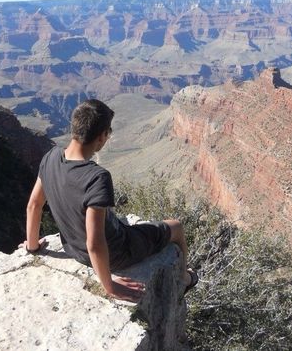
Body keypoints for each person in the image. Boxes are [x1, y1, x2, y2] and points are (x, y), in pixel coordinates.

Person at [20, 99, 197, 302]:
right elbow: (95, 243)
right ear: (102, 137)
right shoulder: (97, 177)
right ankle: (184, 279)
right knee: (176, 227)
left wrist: (32, 247)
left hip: (73, 249)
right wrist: (109, 285)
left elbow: (34, 205)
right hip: (117, 253)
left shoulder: (50, 157)